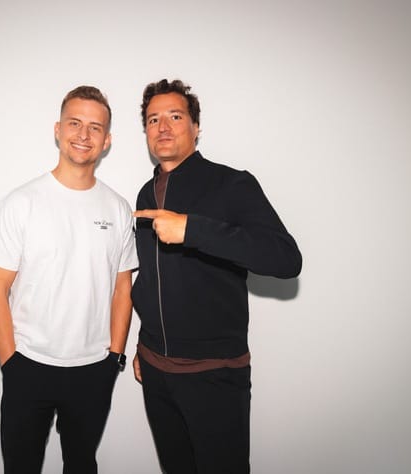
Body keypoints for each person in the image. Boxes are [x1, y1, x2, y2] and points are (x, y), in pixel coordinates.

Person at [131, 79, 302, 474]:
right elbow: (152, 280)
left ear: (196, 127)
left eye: (175, 116)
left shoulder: (232, 184)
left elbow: (285, 259)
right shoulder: (144, 195)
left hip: (214, 374)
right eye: (153, 119)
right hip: (156, 372)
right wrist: (144, 342)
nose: (163, 127)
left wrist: (193, 229)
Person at [0, 85, 137, 474]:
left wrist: (114, 358)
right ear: (57, 129)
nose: (84, 134)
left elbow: (123, 289)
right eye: (74, 123)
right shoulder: (21, 203)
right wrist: (12, 365)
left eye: (95, 127)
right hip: (28, 365)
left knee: (82, 466)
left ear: (107, 140)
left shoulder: (118, 209)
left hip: (93, 369)